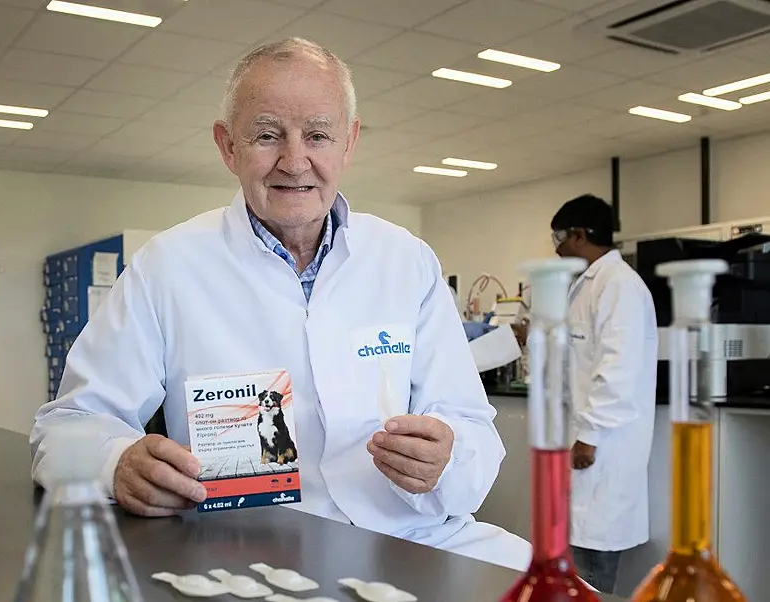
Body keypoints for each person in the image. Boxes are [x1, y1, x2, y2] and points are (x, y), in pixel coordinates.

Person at [30, 37, 530, 571]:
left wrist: (445, 459)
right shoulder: (168, 267)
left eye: (318, 134)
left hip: (410, 535)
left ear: (349, 143)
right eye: (267, 135)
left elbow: (472, 428)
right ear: (227, 146)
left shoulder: (406, 261)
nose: (295, 162)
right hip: (249, 549)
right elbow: (64, 428)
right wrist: (116, 462)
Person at [551, 194, 658, 593]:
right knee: (580, 559)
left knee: (594, 570)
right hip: (586, 443)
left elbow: (619, 371)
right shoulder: (591, 285)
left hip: (602, 448)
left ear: (579, 236)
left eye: (560, 237)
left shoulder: (619, 287)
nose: (558, 248)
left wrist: (589, 437)